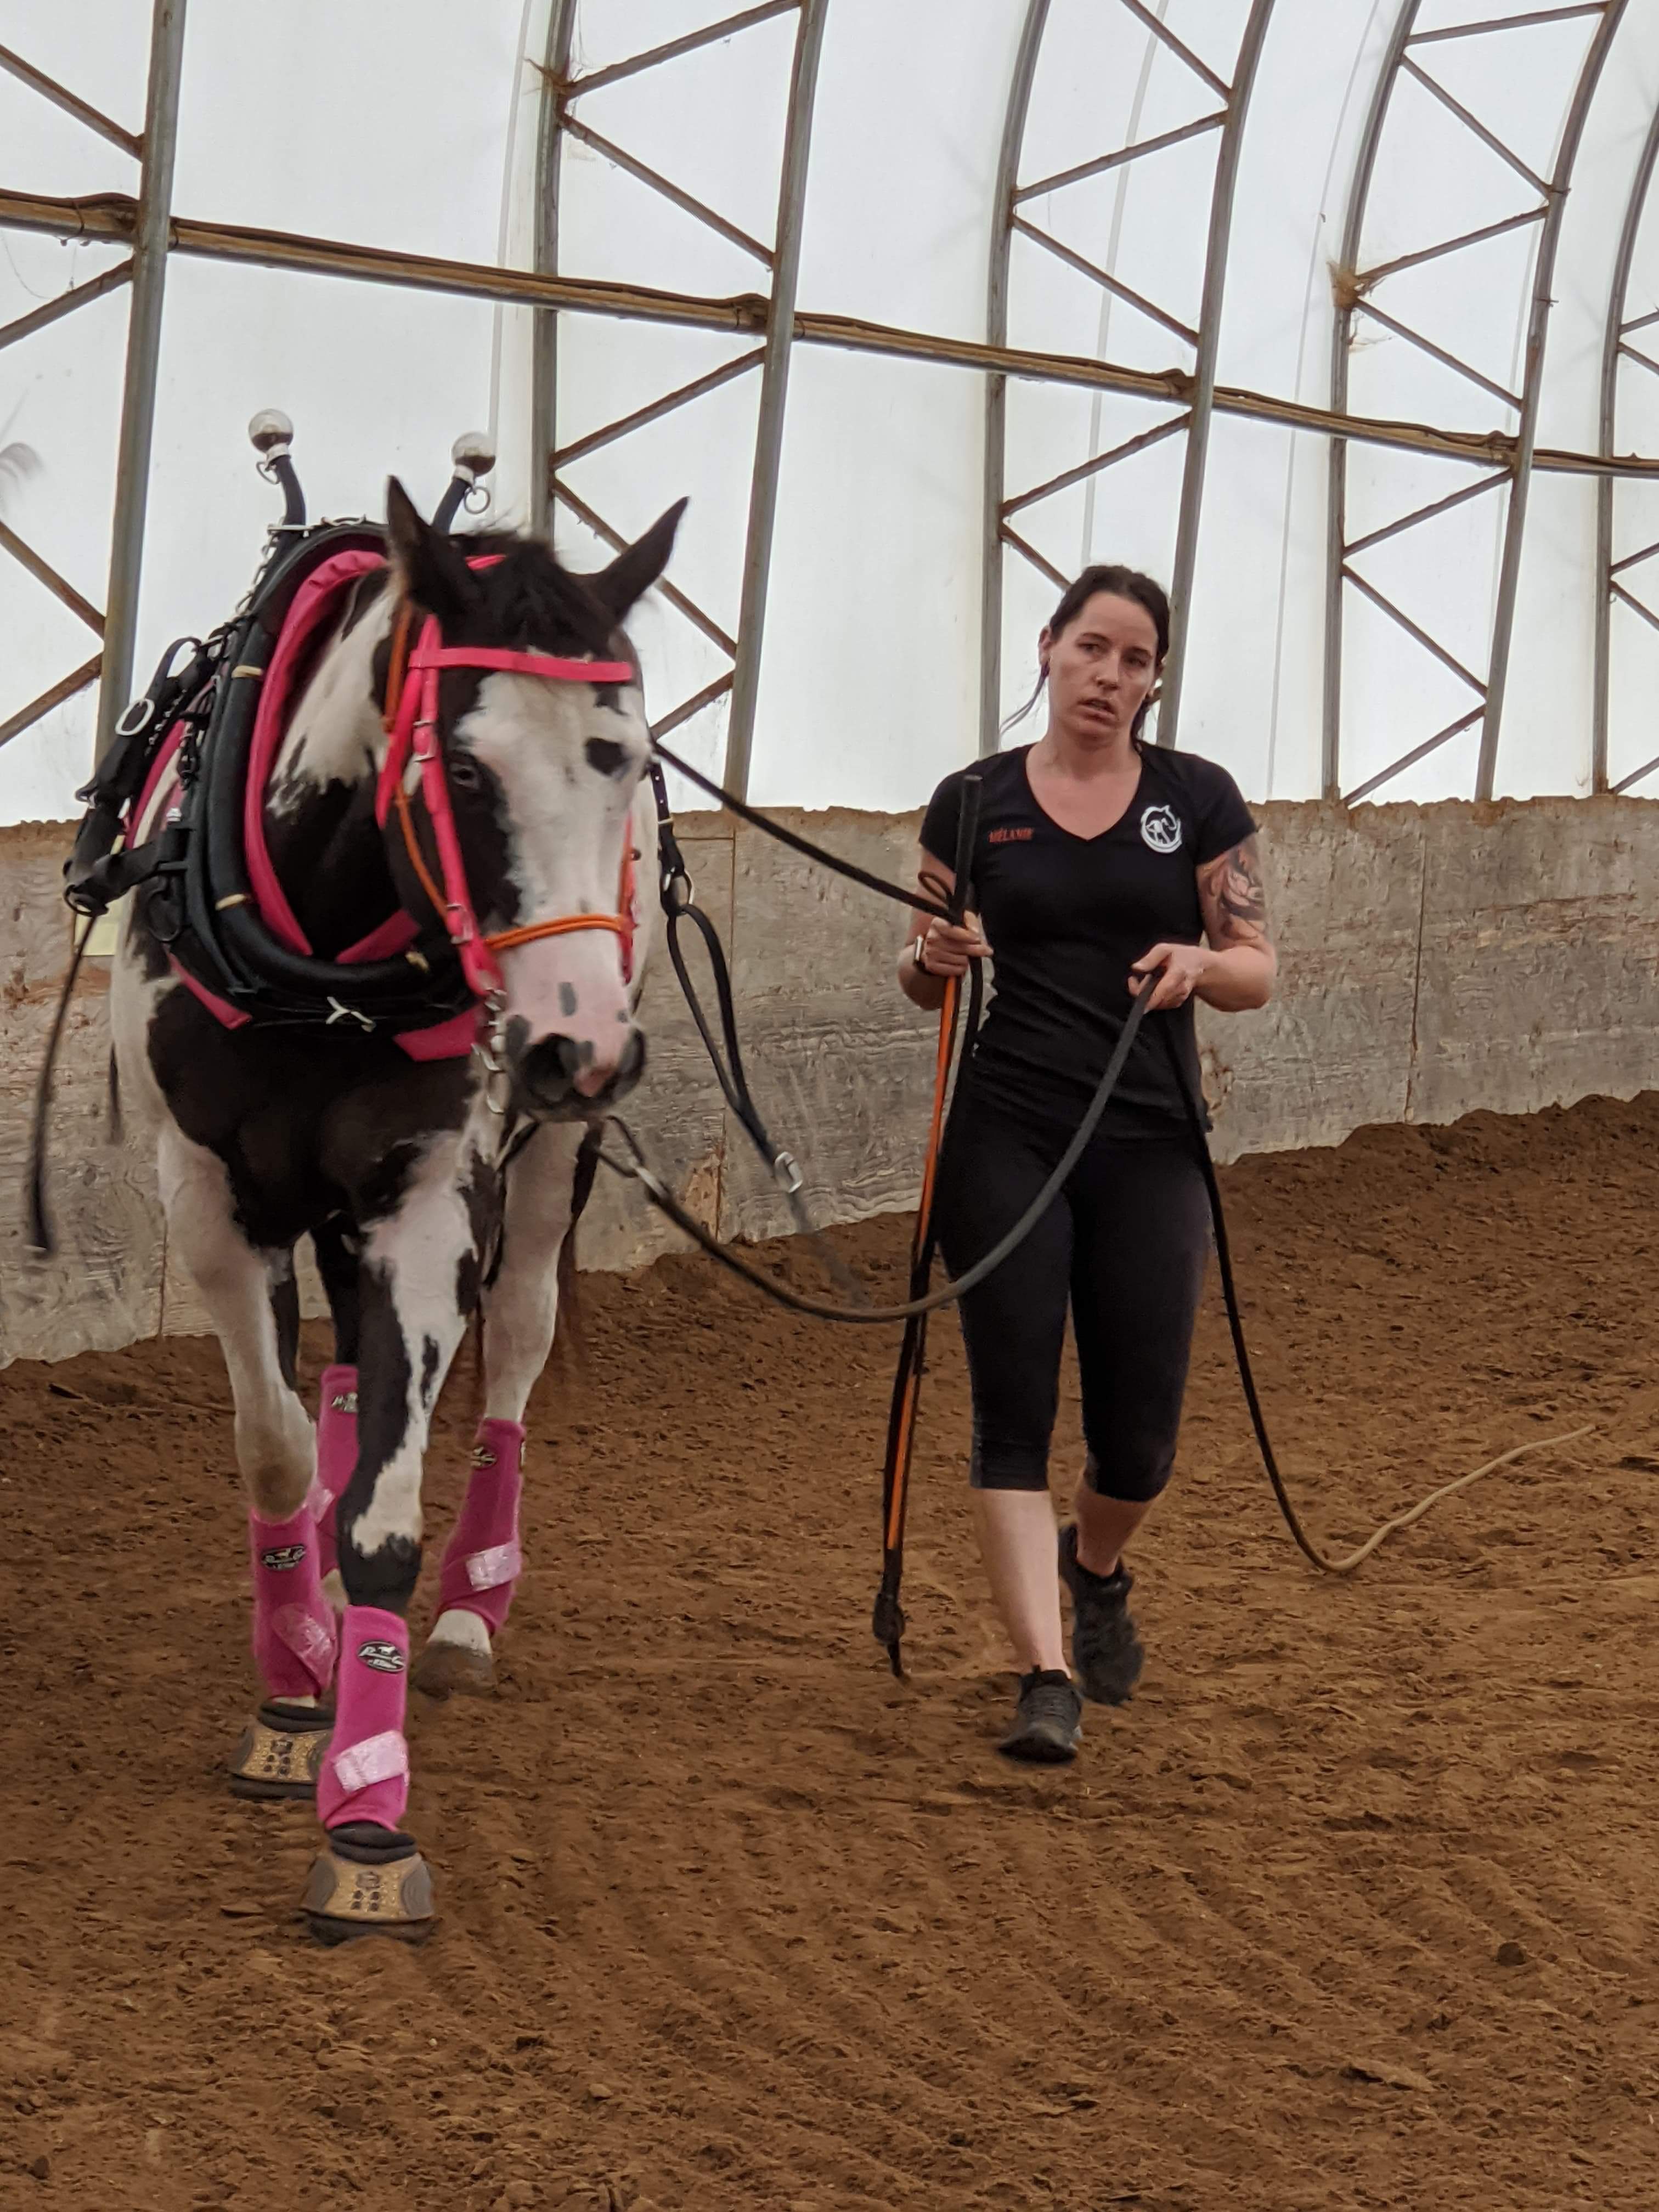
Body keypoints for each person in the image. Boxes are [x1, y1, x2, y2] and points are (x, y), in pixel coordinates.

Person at [899, 565, 1276, 1762]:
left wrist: (1200, 964)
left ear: (1155, 678)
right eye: (1092, 649)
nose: (1110, 676)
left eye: (1137, 660)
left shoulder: (1198, 802)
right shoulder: (969, 804)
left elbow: (1258, 966)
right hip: (1005, 1131)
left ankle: (1096, 1566)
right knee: (1012, 1415)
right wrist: (935, 960)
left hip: (1153, 1139)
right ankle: (1044, 1673)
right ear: (1049, 648)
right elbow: (917, 971)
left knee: (1140, 1442)